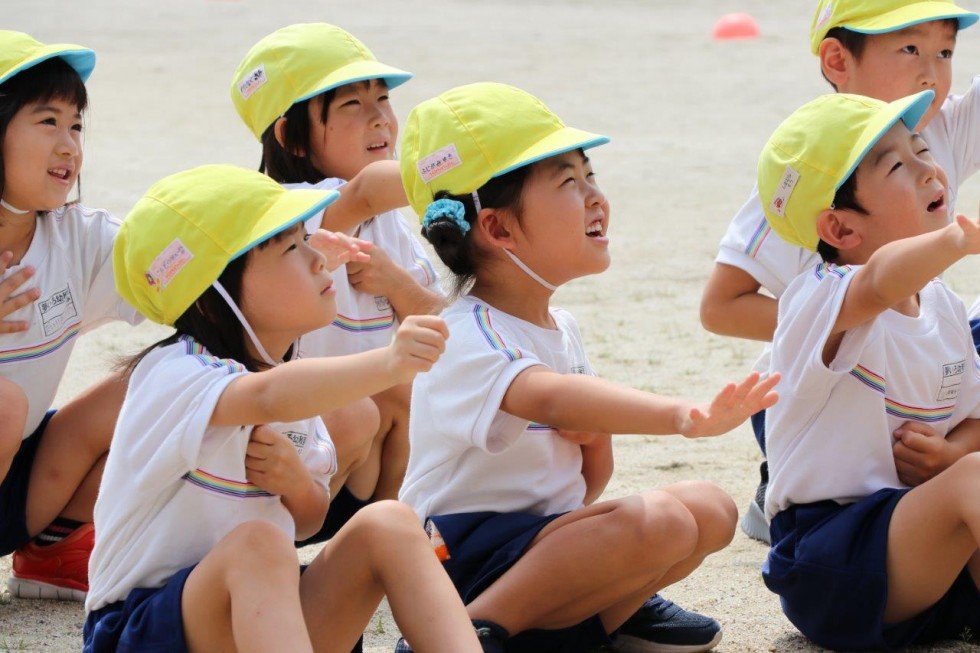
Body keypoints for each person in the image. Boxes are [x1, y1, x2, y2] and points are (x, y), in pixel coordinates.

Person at [394, 82, 780, 653]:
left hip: (538, 548)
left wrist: (595, 436)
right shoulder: (465, 332)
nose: (595, 197)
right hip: (455, 560)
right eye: (568, 183)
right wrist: (683, 415)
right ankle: (470, 632)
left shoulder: (561, 328)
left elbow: (584, 484)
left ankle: (590, 624)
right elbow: (548, 399)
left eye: (590, 175)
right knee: (665, 523)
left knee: (710, 508)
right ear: (498, 229)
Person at [83, 164, 495, 653]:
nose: (320, 259)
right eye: (291, 248)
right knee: (258, 546)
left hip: (256, 619)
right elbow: (263, 397)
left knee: (388, 522)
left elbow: (308, 520)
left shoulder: (295, 376)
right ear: (215, 298)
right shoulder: (174, 372)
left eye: (309, 239)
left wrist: (297, 485)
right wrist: (390, 362)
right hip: (143, 629)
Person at [699, 0, 980, 544]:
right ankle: (785, 472)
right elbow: (720, 306)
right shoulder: (803, 170)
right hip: (828, 391)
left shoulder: (935, 129)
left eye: (945, 51)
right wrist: (834, 327)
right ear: (837, 59)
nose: (932, 70)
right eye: (910, 48)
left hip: (925, 384)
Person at [757, 90, 980, 650]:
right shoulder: (818, 298)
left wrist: (953, 453)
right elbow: (880, 279)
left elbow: (974, 419)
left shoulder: (944, 307)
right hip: (831, 560)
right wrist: (956, 239)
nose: (929, 169)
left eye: (922, 148)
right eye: (899, 165)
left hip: (931, 571)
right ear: (840, 230)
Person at [230, 23, 444, 547]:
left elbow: (450, 321)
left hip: (350, 464)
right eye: (351, 104)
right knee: (358, 409)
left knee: (410, 389)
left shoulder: (389, 223)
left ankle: (394, 540)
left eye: (383, 98)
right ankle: (334, 546)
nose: (379, 118)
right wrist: (466, 168)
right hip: (273, 463)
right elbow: (368, 191)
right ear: (291, 136)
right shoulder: (285, 212)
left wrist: (395, 283)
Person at [0, 30, 143, 601]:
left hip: (23, 488)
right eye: (47, 121)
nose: (69, 145)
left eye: (76, 124)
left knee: (162, 378)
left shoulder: (77, 237)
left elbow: (186, 279)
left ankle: (55, 547)